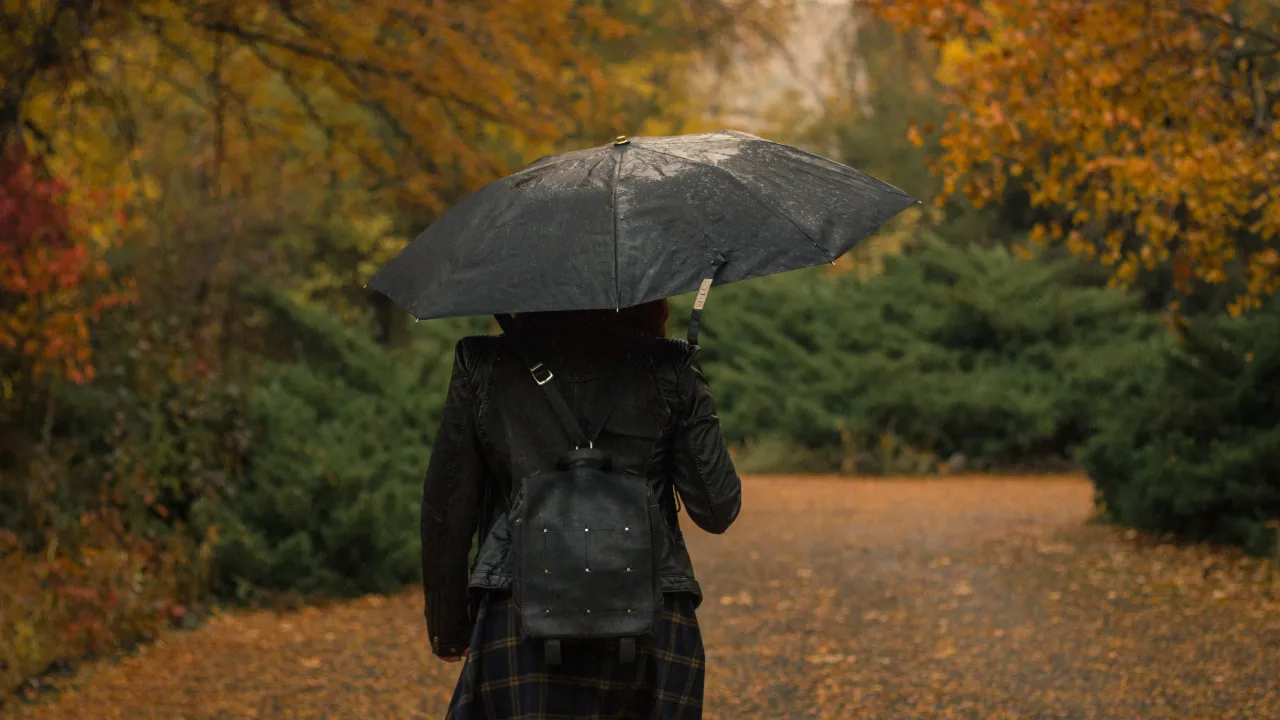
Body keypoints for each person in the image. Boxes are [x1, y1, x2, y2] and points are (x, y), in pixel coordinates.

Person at [421, 298, 742, 719]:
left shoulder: (484, 364)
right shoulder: (667, 367)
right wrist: (689, 382)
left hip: (517, 612)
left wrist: (449, 630)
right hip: (653, 616)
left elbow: (447, 508)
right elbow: (717, 509)